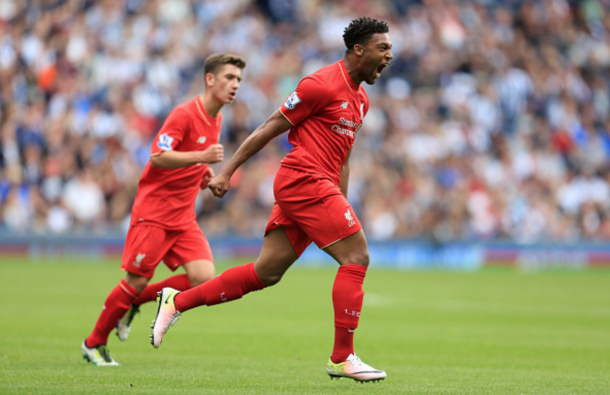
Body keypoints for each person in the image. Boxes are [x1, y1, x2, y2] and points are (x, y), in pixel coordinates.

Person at [151, 17, 392, 382]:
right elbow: (268, 127)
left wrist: (340, 200)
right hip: (303, 180)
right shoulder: (320, 84)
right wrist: (228, 171)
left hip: (320, 187)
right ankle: (342, 357)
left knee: (266, 273)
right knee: (357, 256)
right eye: (383, 48)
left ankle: (176, 301)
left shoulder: (360, 100)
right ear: (359, 50)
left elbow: (343, 155)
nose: (390, 55)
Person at [81, 53, 246, 366]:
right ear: (209, 79)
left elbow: (190, 159)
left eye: (238, 79)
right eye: (229, 77)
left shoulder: (217, 117)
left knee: (203, 277)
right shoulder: (184, 114)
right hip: (154, 212)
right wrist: (200, 156)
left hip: (183, 216)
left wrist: (202, 173)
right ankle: (93, 344)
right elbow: (158, 156)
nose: (235, 84)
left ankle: (132, 305)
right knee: (136, 282)